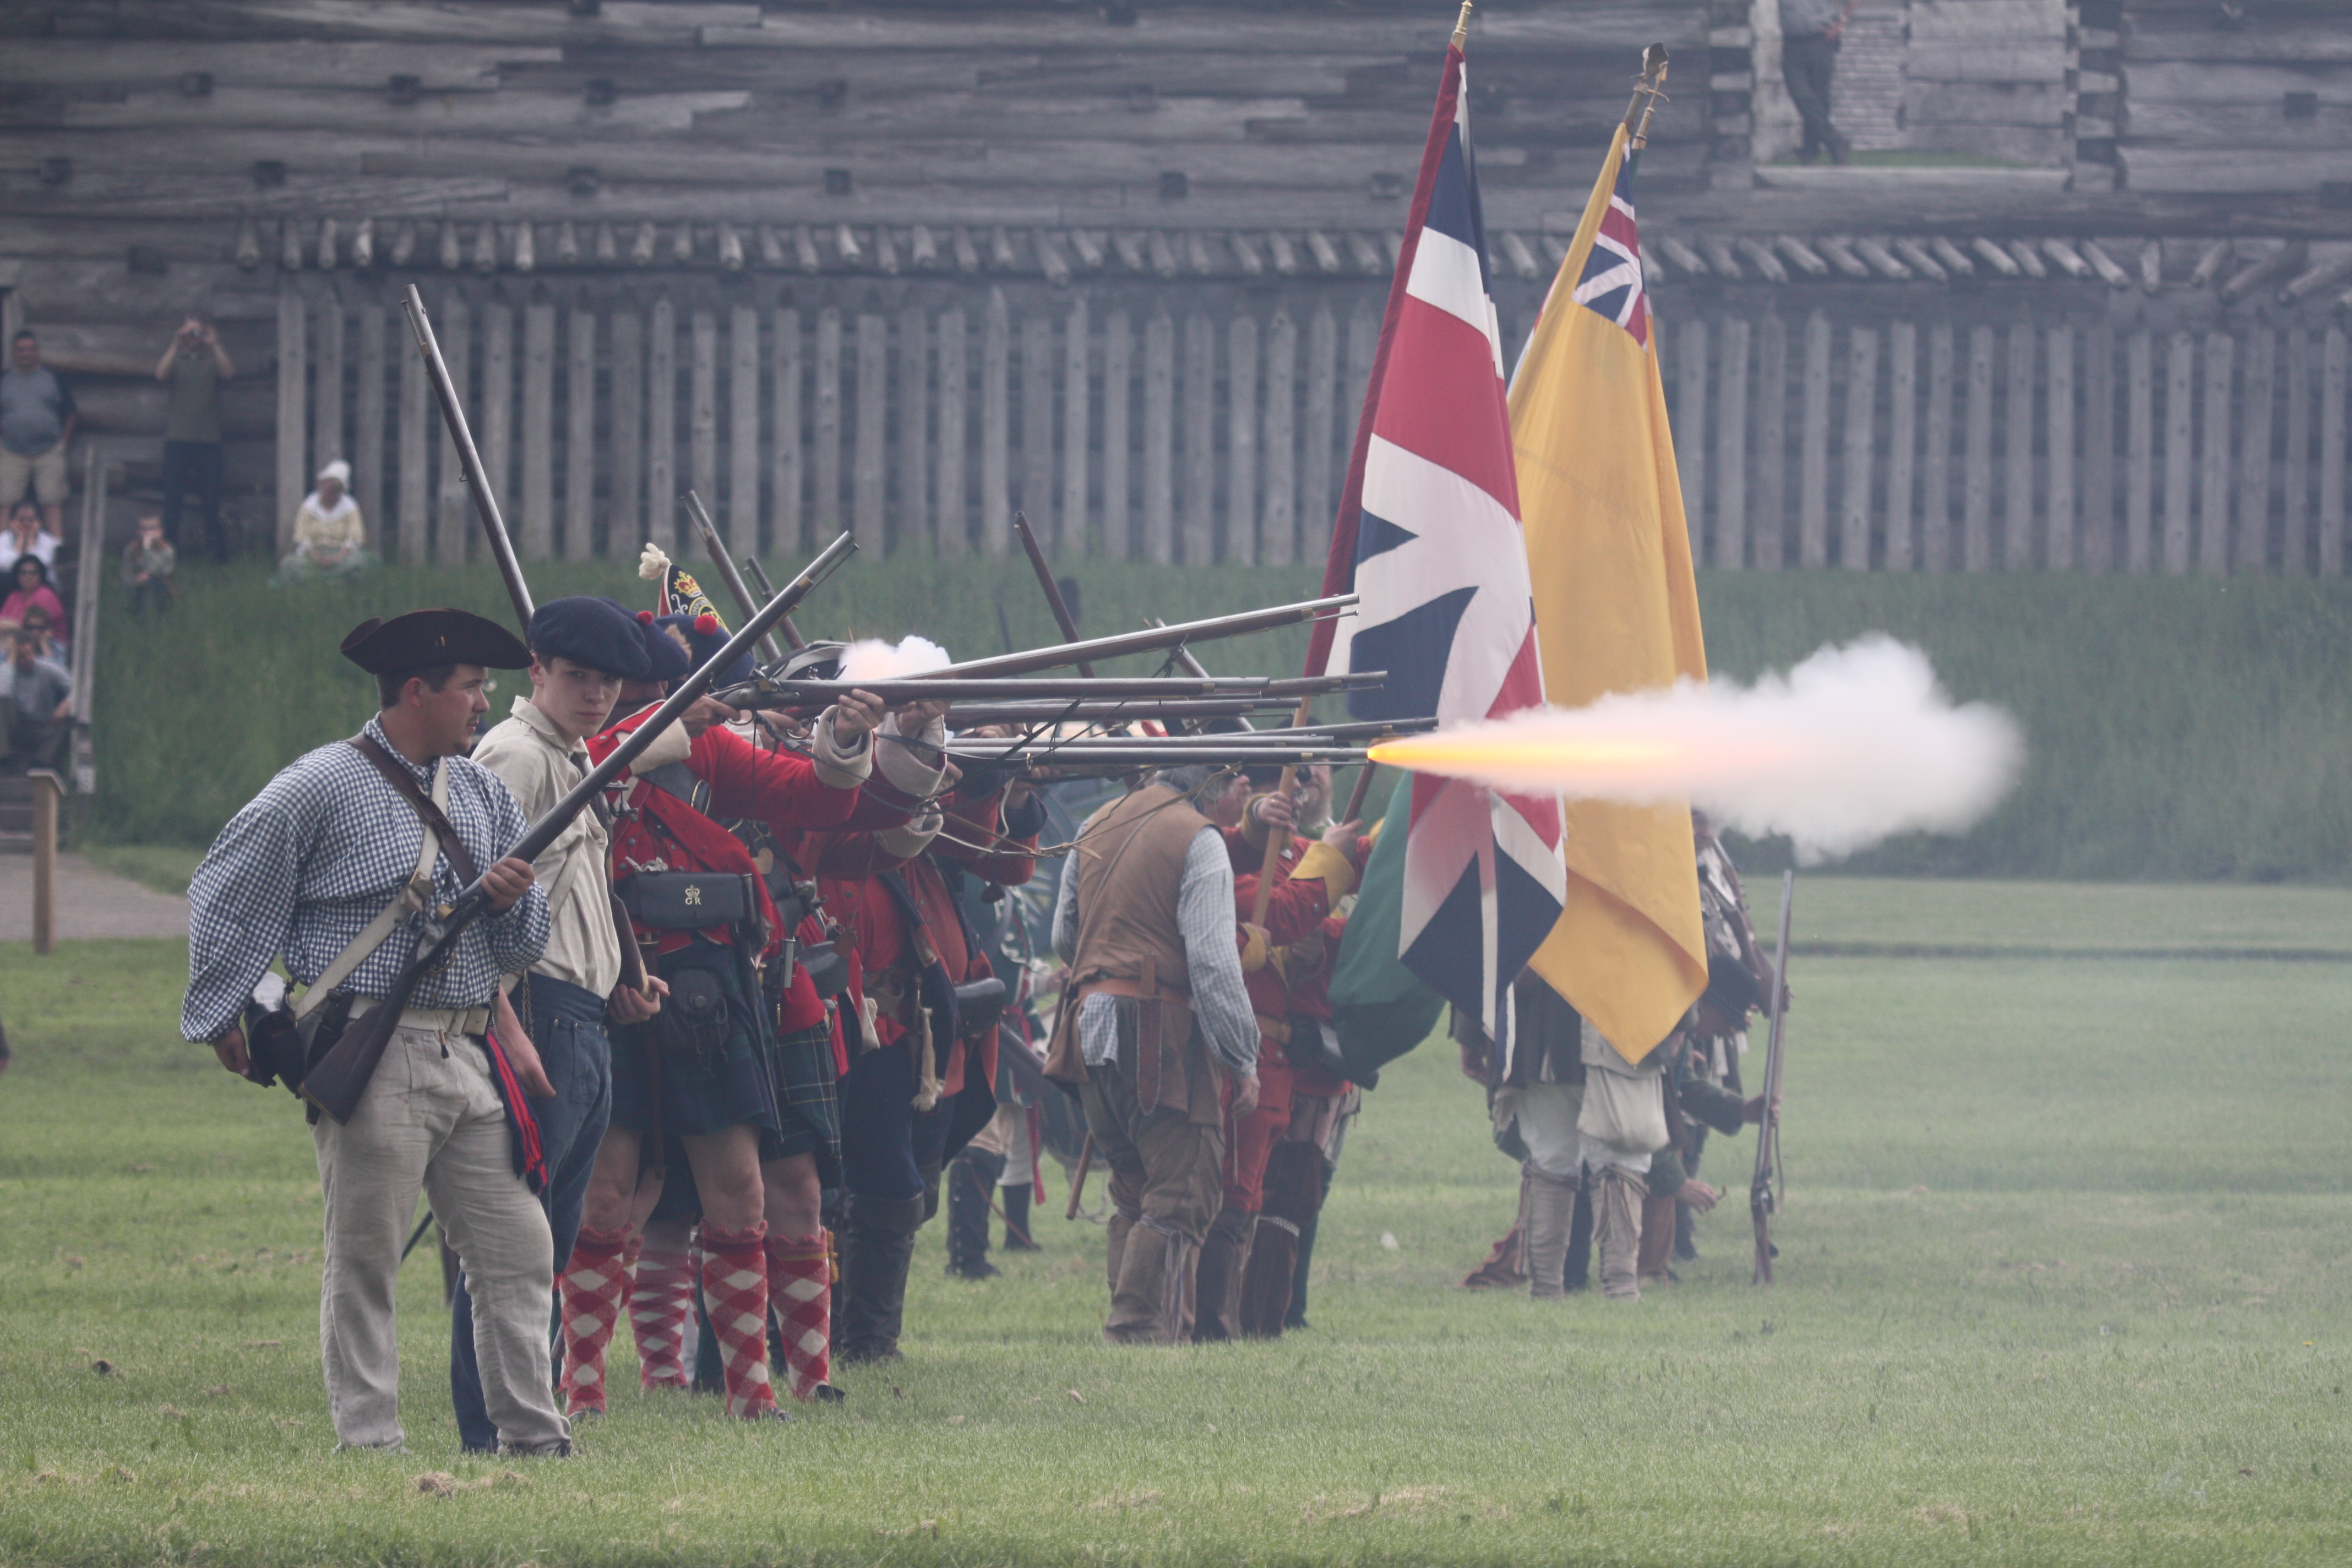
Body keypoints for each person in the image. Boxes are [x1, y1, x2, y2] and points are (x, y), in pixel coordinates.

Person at [181, 608, 567, 1455]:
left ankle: (535, 1440)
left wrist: (511, 901)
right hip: (375, 1049)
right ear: (418, 690)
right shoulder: (319, 783)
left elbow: (525, 944)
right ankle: (370, 1445)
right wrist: (222, 1011)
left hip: (471, 1051)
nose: (483, 703)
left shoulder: (480, 790)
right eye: (471, 688)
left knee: (518, 1251)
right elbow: (226, 885)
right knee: (366, 1260)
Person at [560, 603, 881, 1420]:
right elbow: (580, 786)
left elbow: (812, 797)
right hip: (612, 978)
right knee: (606, 1197)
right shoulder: (577, 749)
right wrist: (661, 726)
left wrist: (844, 738)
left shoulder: (705, 745)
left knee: (741, 1191)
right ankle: (582, 1385)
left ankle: (756, 1392)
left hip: (710, 979)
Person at [445, 597, 670, 1455]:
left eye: (608, 679)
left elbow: (578, 889)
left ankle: (520, 1410)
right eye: (577, 676)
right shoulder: (515, 756)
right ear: (537, 672)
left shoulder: (569, 758)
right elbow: (483, 895)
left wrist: (624, 975)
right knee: (513, 1234)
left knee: (549, 1236)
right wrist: (508, 1022)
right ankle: (493, 1423)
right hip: (534, 1008)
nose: (596, 693)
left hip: (581, 1011)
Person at [1046, 764, 1261, 1346]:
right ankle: (1141, 1333)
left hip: (1087, 1027)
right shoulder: (1199, 837)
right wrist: (1242, 1056)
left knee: (1137, 1191)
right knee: (1182, 1190)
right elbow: (1213, 961)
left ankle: (1148, 1339)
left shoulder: (1096, 822)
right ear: (1217, 782)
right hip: (1154, 1030)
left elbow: (1067, 938)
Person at [155, 313, 235, 563]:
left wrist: (215, 343)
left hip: (208, 441)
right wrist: (175, 344)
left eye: (197, 332)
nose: (193, 338)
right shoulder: (177, 358)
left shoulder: (212, 358)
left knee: (211, 501)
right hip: (177, 440)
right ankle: (169, 556)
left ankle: (218, 557)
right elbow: (161, 374)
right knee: (172, 502)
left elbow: (229, 373)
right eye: (189, 333)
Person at [0, 330, 74, 542]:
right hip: (11, 451)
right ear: (14, 352)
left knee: (52, 500)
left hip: (49, 451)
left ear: (37, 352)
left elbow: (70, 412)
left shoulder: (52, 378)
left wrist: (63, 443)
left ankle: (55, 548)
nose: (26, 354)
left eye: (30, 349)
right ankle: (3, 552)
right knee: (5, 501)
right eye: (21, 350)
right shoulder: (4, 379)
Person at [1781, 0, 1856, 166]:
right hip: (1791, 43)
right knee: (1802, 96)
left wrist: (1841, 24)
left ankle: (1810, 151)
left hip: (1820, 41)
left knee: (1819, 99)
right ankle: (1835, 141)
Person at [279, 460, 374, 583]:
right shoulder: (309, 506)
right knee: (289, 564)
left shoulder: (350, 508)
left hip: (341, 555)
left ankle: (319, 580)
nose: (329, 494)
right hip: (313, 555)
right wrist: (316, 558)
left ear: (341, 492)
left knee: (359, 562)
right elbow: (302, 536)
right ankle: (332, 580)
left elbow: (354, 538)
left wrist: (336, 558)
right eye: (327, 489)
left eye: (335, 491)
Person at [0, 628, 72, 774]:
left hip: (45, 725)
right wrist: (11, 661)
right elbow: (3, 693)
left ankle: (42, 764)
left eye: (29, 654)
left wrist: (65, 704)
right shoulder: (7, 670)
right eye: (21, 656)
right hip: (17, 726)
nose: (26, 659)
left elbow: (76, 689)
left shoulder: (48, 669)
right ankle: (4, 757)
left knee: (67, 717)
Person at [123, 514, 177, 618]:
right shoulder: (131, 549)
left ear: (160, 531)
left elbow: (155, 569)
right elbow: (126, 572)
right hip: (136, 585)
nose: (148, 532)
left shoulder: (167, 550)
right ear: (138, 531)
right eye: (144, 529)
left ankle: (158, 618)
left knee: (151, 585)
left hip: (161, 585)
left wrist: (147, 548)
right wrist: (134, 582)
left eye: (152, 529)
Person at [1, 553, 66, 633]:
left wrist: (11, 626)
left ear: (41, 575)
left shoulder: (45, 595)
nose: (28, 576)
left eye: (33, 573)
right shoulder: (14, 596)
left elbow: (34, 626)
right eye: (23, 573)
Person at [0, 502, 59, 575]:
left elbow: (39, 567)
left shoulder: (47, 540)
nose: (26, 524)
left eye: (31, 520)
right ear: (12, 522)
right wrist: (21, 539)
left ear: (39, 522)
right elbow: (7, 565)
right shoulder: (3, 538)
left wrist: (31, 541)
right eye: (22, 519)